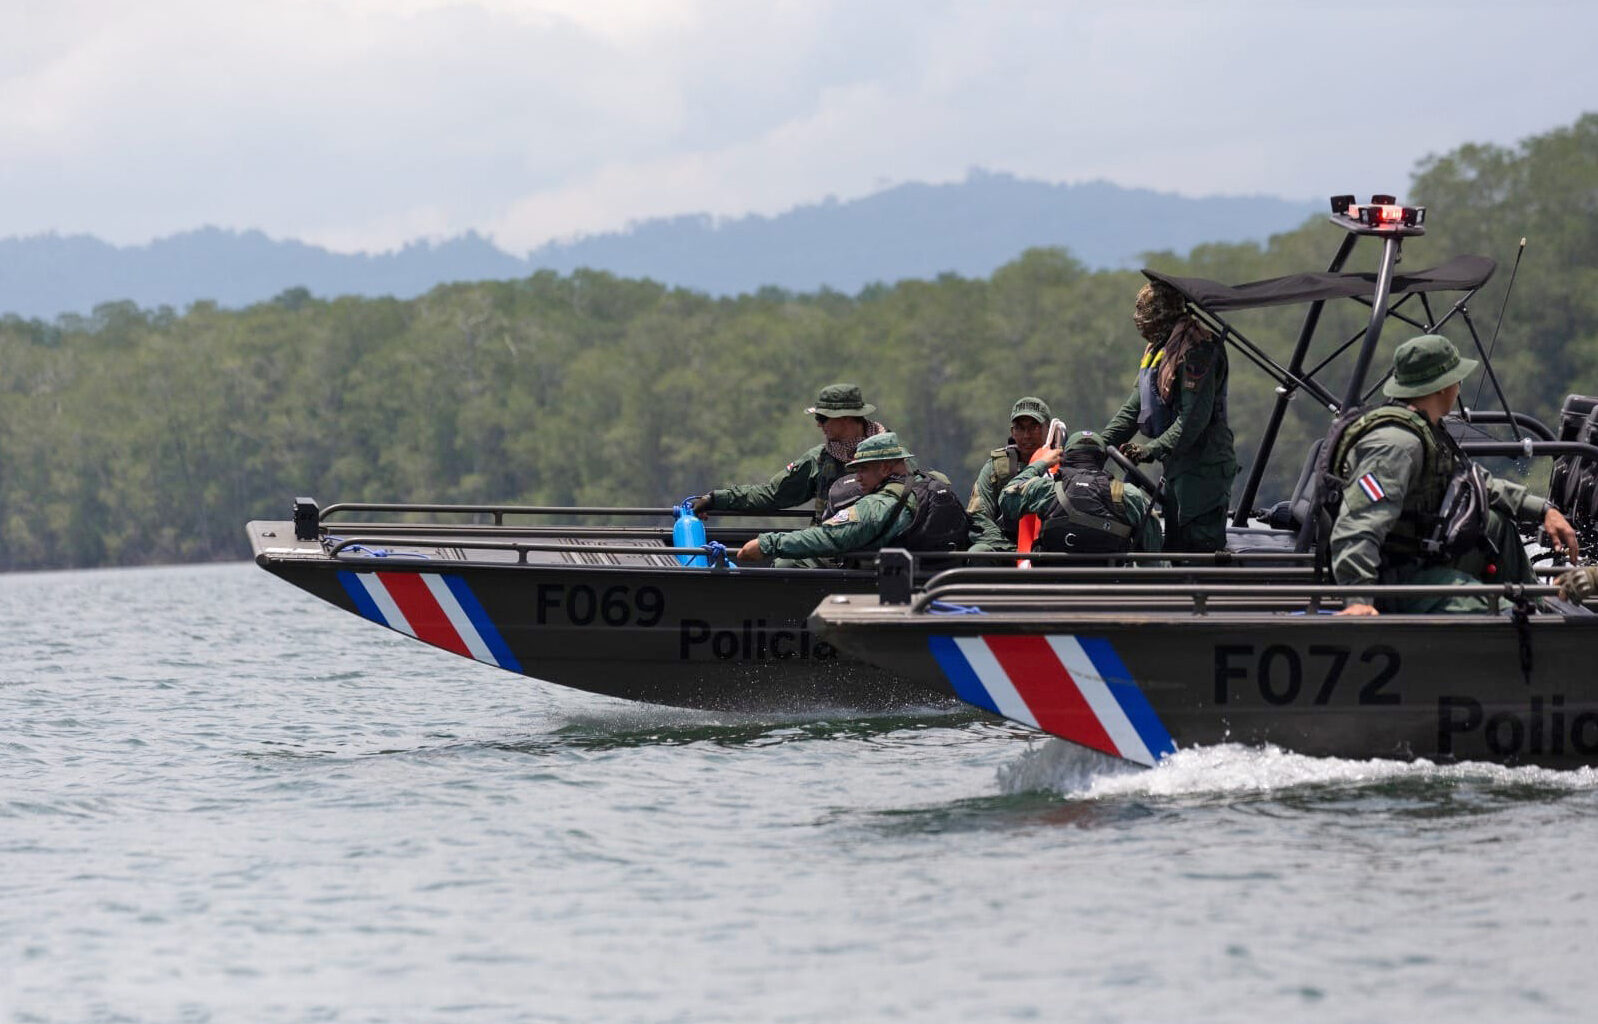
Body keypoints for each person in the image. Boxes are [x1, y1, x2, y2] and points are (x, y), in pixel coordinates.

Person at [1330, 334, 1578, 615]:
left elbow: (1476, 483)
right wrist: (1359, 598)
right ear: (1444, 386)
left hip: (1421, 560)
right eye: (1457, 379)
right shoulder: (1396, 446)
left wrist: (1543, 510)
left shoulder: (1426, 431)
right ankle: (1524, 627)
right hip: (1396, 578)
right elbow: (1357, 524)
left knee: (1496, 525)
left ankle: (1536, 611)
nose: (1459, 387)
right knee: (1501, 612)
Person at [1101, 280, 1236, 552]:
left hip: (1203, 467)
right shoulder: (1161, 349)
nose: (1142, 325)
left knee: (1195, 548)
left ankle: (1201, 595)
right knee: (1173, 546)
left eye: (1148, 319)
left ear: (1164, 317)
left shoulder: (1197, 351)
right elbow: (1134, 409)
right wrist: (1094, 446)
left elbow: (1192, 421)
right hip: (1177, 465)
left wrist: (1150, 450)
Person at [691, 383, 888, 524]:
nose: (818, 424)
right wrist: (716, 499)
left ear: (845, 418)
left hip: (877, 552)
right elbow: (773, 495)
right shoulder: (819, 460)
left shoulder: (889, 456)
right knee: (784, 565)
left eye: (822, 418)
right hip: (829, 550)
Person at [736, 432, 919, 567]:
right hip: (922, 574)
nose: (858, 478)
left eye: (863, 469)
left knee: (786, 566)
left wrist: (768, 544)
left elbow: (830, 536)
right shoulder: (929, 483)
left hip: (881, 582)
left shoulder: (878, 506)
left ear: (886, 468)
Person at [997, 430, 1163, 555]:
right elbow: (1153, 546)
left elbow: (1007, 499)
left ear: (1066, 458)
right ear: (1101, 459)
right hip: (1109, 589)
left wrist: (1040, 464)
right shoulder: (1129, 494)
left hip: (1053, 588)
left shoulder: (1045, 489)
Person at [967, 396, 1054, 552]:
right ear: (1012, 432)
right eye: (1020, 428)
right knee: (979, 551)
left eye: (1034, 427)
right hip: (1006, 549)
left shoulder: (1062, 464)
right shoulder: (998, 467)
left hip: (1052, 549)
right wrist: (1014, 552)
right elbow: (979, 519)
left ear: (1048, 429)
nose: (1027, 435)